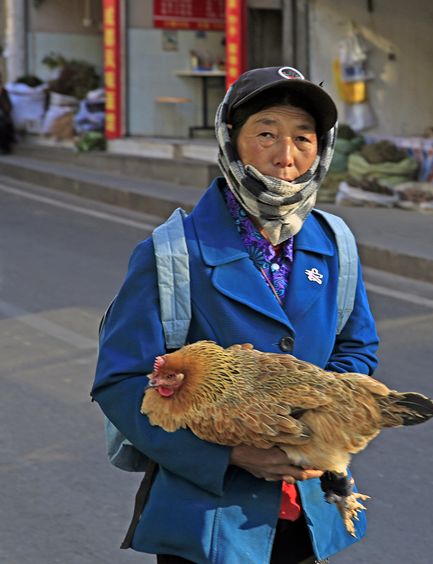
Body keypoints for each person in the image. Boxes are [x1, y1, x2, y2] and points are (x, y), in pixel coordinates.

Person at [92, 66, 380, 564]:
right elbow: (120, 381)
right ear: (230, 138)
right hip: (208, 519)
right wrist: (229, 454)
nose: (285, 157)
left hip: (308, 509)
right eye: (265, 133)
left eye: (303, 138)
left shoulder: (335, 244)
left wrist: (320, 416)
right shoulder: (173, 252)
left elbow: (356, 347)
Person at [0, 74, 15, 154]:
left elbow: (7, 106)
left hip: (2, 116)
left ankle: (5, 148)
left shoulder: (2, 90)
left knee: (4, 127)